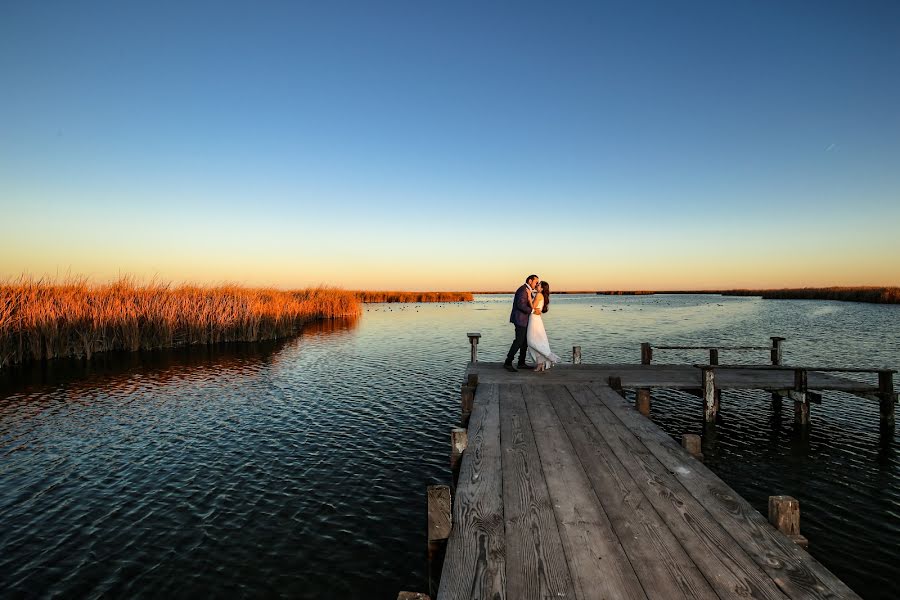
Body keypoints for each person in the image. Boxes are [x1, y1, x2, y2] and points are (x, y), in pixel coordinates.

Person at [504, 274, 539, 372]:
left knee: (524, 342)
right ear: (530, 281)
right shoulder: (523, 290)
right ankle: (508, 362)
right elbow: (520, 305)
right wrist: (532, 311)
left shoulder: (527, 290)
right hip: (520, 319)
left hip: (524, 319)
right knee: (519, 341)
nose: (536, 284)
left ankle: (521, 363)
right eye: (536, 282)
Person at [526, 281, 561, 372]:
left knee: (531, 341)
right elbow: (536, 309)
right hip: (536, 319)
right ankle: (540, 364)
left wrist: (529, 296)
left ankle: (549, 356)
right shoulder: (539, 295)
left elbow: (532, 307)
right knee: (536, 341)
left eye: (538, 285)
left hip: (534, 320)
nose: (537, 285)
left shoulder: (538, 295)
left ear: (541, 288)